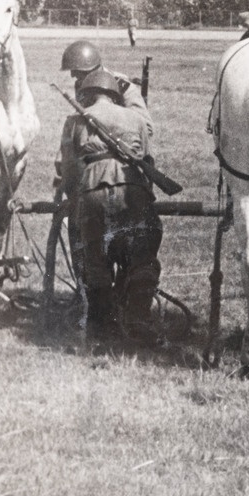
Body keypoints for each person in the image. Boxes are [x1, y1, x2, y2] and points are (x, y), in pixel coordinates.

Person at [56, 70, 163, 352]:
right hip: (134, 191)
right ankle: (139, 320)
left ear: (87, 94)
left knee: (96, 260)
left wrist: (75, 199)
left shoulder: (75, 120)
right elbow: (148, 159)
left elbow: (69, 168)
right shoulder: (137, 119)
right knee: (142, 256)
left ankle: (103, 329)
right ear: (116, 95)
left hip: (92, 192)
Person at [60, 40, 153, 135]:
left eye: (75, 70)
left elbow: (146, 127)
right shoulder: (81, 84)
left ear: (89, 69)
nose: (72, 75)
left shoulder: (122, 86)